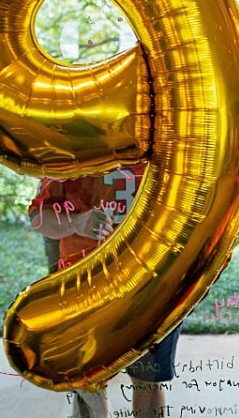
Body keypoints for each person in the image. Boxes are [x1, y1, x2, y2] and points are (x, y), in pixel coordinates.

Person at [29, 164, 181, 418]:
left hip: (151, 288)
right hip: (85, 290)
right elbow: (38, 217)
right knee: (84, 382)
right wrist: (78, 222)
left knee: (148, 379)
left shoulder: (164, 144)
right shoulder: (71, 148)